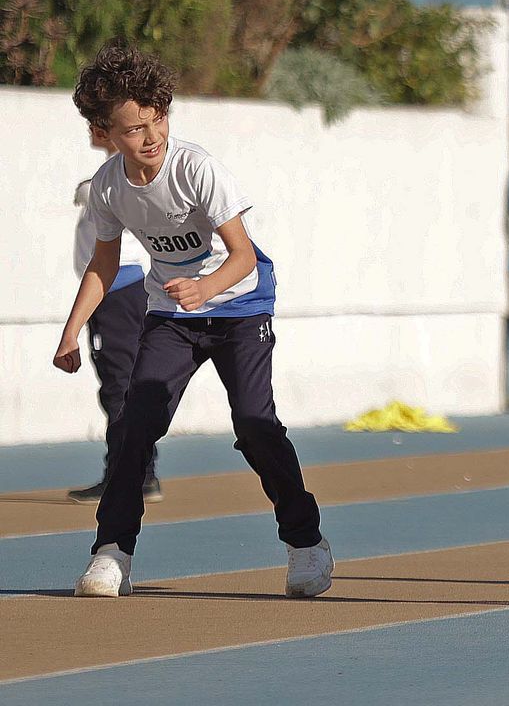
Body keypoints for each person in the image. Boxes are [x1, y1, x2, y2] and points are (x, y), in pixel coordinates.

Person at [55, 47, 331, 599]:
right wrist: (69, 331)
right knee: (134, 424)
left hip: (239, 306)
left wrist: (205, 289)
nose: (150, 136)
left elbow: (243, 256)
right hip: (172, 315)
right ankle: (112, 553)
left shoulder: (198, 169)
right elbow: (104, 263)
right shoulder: (109, 186)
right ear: (103, 130)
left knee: (254, 422)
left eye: (158, 119)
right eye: (134, 128)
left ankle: (306, 543)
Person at [65, 126, 159, 505]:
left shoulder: (108, 184)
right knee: (124, 383)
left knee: (119, 385)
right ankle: (141, 473)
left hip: (117, 291)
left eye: (98, 122)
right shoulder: (110, 177)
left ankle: (126, 475)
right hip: (118, 292)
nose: (90, 128)